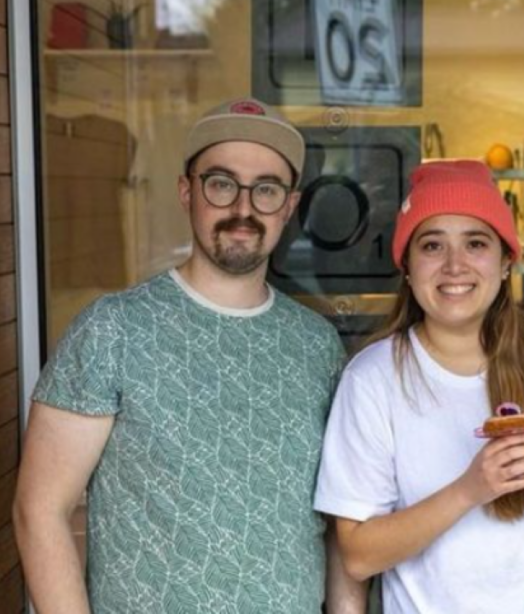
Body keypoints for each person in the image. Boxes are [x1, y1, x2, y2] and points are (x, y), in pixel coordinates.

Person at [14, 98, 365, 614]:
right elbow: (39, 510)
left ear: (289, 207)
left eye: (266, 189)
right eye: (221, 183)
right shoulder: (113, 329)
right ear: (187, 191)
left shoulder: (317, 346)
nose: (243, 208)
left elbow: (337, 526)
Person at [314, 159, 524, 613]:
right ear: (407, 267)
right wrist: (469, 489)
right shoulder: (373, 379)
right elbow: (359, 554)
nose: (454, 266)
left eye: (476, 243)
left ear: (506, 262)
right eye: (432, 245)